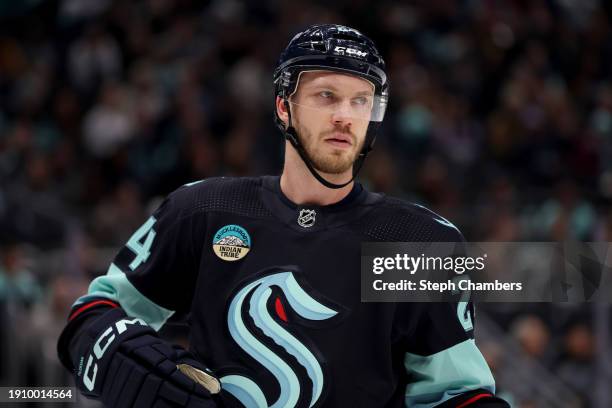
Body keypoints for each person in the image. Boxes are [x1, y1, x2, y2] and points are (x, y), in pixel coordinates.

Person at [57, 24, 509, 408]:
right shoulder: (204, 211)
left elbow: (459, 394)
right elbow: (93, 313)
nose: (344, 116)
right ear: (283, 106)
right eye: (326, 95)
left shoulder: (419, 242)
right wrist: (130, 361)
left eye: (360, 100)